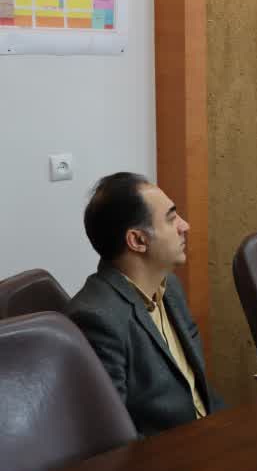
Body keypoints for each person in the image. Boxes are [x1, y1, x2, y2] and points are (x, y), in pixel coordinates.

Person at [66, 173, 223, 436]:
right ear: (138, 240)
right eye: (171, 219)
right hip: (168, 455)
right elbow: (113, 436)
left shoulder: (169, 287)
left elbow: (198, 390)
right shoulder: (95, 318)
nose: (185, 226)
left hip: (210, 434)